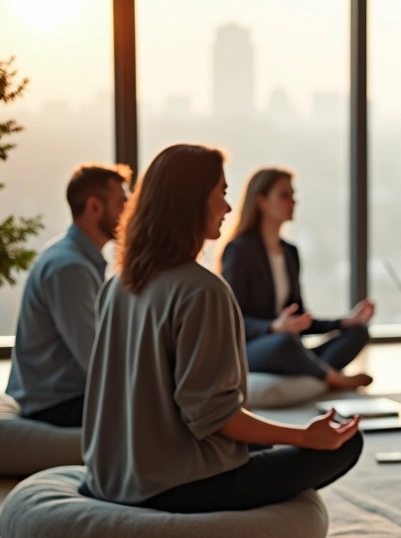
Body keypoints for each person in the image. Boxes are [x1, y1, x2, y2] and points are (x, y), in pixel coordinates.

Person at [81, 144, 363, 513]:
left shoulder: (118, 283)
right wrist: (302, 436)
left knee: (280, 439)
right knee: (347, 444)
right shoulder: (202, 291)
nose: (228, 208)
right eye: (222, 194)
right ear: (192, 201)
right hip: (178, 486)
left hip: (110, 477)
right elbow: (216, 418)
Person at [218, 168, 374, 390]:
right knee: (284, 343)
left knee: (358, 333)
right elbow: (232, 319)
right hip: (255, 348)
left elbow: (299, 317)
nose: (293, 201)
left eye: (293, 195)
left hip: (290, 346)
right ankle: (331, 378)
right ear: (261, 201)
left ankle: (311, 371)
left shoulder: (290, 252)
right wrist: (273, 327)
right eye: (284, 195)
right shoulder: (239, 250)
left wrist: (344, 322)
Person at [5, 164, 130, 427]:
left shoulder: (76, 259)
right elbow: (96, 360)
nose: (128, 211)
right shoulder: (70, 267)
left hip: (65, 397)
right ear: (94, 206)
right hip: (57, 404)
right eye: (121, 202)